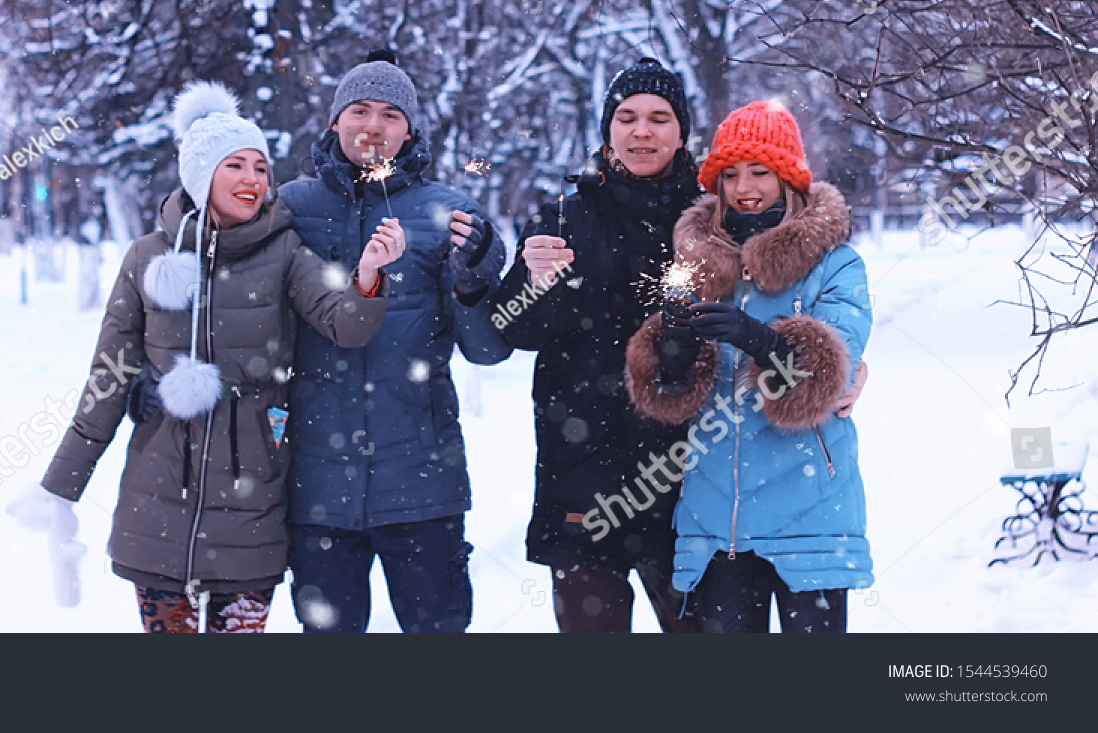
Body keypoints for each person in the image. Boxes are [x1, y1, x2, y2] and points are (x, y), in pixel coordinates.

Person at [8, 81, 404, 632]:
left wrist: (367, 279)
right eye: (235, 165)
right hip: (159, 493)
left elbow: (346, 326)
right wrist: (61, 487)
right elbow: (109, 377)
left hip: (253, 493)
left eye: (261, 167)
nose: (252, 180)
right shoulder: (147, 256)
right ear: (200, 174)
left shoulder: (286, 251)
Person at [278, 49, 509, 633]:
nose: (374, 126)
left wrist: (475, 274)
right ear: (335, 121)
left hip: (423, 485)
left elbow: (487, 349)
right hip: (318, 487)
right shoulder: (291, 207)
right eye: (359, 110)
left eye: (391, 114)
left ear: (410, 131)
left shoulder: (449, 214)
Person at [625, 99, 873, 633]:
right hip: (718, 521)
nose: (744, 187)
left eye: (760, 171)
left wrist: (761, 339)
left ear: (788, 178)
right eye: (730, 174)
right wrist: (671, 343)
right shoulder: (695, 267)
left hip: (811, 512)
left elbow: (833, 369)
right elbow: (667, 392)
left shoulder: (836, 264)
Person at [488, 58, 707, 632]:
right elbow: (516, 332)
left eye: (659, 118)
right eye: (627, 116)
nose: (642, 131)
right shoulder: (563, 215)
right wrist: (530, 283)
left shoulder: (712, 218)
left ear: (682, 131)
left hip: (688, 480)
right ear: (607, 128)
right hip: (583, 476)